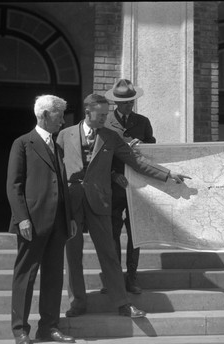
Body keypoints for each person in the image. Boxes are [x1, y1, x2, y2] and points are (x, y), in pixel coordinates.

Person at [57, 93, 190, 318]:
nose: (104, 119)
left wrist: (167, 174)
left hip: (100, 203)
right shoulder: (64, 135)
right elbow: (56, 169)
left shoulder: (110, 136)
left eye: (106, 115)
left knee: (109, 254)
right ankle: (77, 304)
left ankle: (122, 304)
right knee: (72, 256)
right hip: (72, 203)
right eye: (100, 115)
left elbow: (135, 161)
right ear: (87, 112)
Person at [6, 95, 77, 344]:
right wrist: (22, 218)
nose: (63, 120)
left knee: (53, 277)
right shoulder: (23, 143)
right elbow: (13, 185)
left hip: (58, 224)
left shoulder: (57, 147)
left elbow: (61, 186)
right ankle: (20, 330)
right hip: (32, 224)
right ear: (45, 114)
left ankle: (48, 327)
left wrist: (69, 218)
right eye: (59, 115)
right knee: (25, 275)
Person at [102, 79, 156, 294]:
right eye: (124, 102)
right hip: (113, 186)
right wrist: (113, 174)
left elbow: (153, 148)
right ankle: (113, 279)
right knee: (112, 234)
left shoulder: (142, 122)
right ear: (116, 103)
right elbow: (98, 156)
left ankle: (132, 278)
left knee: (136, 235)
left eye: (131, 101)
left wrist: (143, 146)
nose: (128, 106)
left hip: (137, 186)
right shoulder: (105, 122)